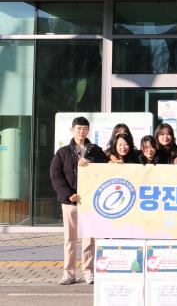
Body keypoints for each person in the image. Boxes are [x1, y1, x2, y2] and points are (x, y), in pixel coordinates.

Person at [50, 116, 107, 285]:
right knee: (70, 239)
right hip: (70, 202)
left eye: (85, 128)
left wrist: (90, 162)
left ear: (88, 130)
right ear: (72, 130)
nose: (82, 131)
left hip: (90, 202)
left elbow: (105, 168)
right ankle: (69, 273)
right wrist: (68, 194)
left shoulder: (96, 151)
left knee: (89, 239)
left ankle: (88, 271)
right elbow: (56, 175)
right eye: (79, 128)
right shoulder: (62, 152)